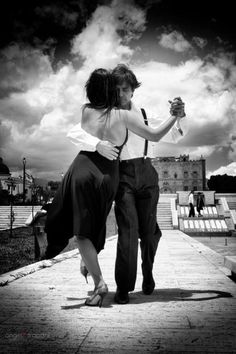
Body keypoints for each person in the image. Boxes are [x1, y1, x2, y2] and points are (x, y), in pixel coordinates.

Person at [44, 68, 185, 308]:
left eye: (125, 89)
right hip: (121, 176)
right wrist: (97, 143)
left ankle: (146, 271)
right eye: (116, 89)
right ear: (110, 91)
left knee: (148, 233)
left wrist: (179, 115)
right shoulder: (112, 113)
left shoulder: (140, 113)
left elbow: (174, 135)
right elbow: (76, 131)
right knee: (127, 231)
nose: (121, 93)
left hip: (145, 173)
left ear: (133, 90)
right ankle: (123, 286)